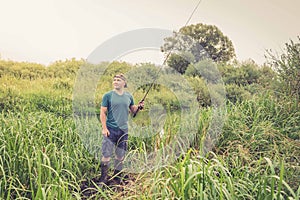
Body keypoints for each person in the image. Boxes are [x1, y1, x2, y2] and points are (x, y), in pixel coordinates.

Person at [99, 73, 144, 186]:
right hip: (111, 129)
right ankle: (103, 178)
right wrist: (104, 128)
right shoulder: (107, 96)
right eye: (114, 80)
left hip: (123, 130)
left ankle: (117, 177)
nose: (115, 81)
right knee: (106, 155)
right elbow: (103, 112)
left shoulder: (128, 96)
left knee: (120, 155)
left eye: (118, 80)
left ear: (124, 83)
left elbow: (132, 109)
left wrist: (138, 107)